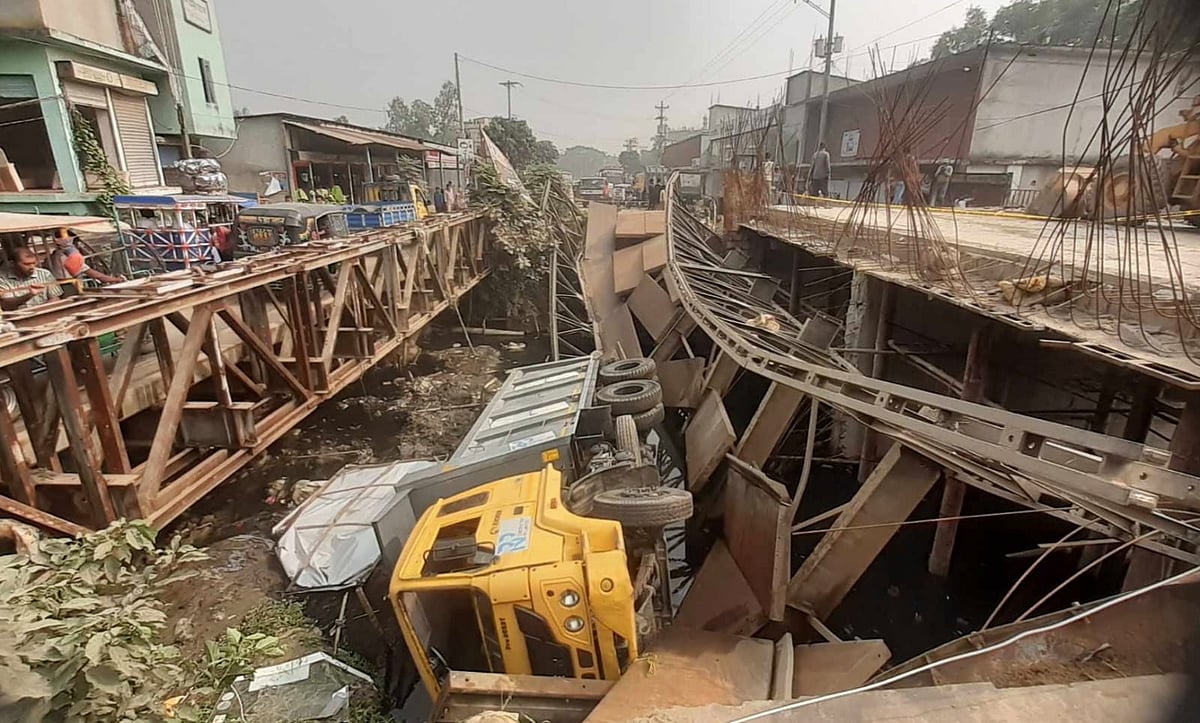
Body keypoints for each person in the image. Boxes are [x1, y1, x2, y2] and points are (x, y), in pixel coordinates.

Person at [48, 229, 125, 285]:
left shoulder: (54, 255)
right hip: (70, 287)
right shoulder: (71, 257)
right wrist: (115, 279)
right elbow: (93, 274)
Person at [0, 246, 61, 311]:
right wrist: (29, 295)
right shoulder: (2, 278)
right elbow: (5, 305)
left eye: (34, 263)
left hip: (45, 313)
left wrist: (39, 312)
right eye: (27, 264)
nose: (32, 267)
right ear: (13, 263)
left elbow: (55, 298)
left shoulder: (45, 274)